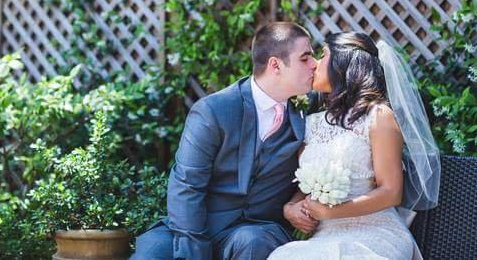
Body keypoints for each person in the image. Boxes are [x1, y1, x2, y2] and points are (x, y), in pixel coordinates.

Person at [130, 22, 319, 260]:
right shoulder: (214, 111)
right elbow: (187, 186)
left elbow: (312, 177)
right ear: (275, 65)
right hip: (197, 229)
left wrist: (292, 206)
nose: (315, 64)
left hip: (255, 233)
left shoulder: (308, 117)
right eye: (305, 58)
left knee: (252, 242)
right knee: (153, 253)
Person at [268, 32, 441, 260]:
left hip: (376, 233)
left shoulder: (379, 116)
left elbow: (391, 192)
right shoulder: (311, 123)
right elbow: (306, 183)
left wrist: (332, 211)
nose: (315, 64)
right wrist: (291, 207)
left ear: (344, 62)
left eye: (323, 55)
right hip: (325, 236)